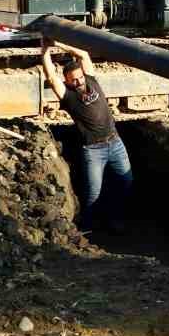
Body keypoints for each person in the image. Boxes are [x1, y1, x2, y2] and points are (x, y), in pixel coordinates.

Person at [40, 38, 132, 227]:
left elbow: (82, 54)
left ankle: (114, 218)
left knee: (126, 182)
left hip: (116, 143)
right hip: (93, 150)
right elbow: (50, 77)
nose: (79, 81)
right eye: (74, 79)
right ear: (67, 80)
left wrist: (59, 44)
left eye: (80, 77)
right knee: (93, 193)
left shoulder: (90, 78)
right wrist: (45, 50)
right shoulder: (67, 95)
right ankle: (88, 227)